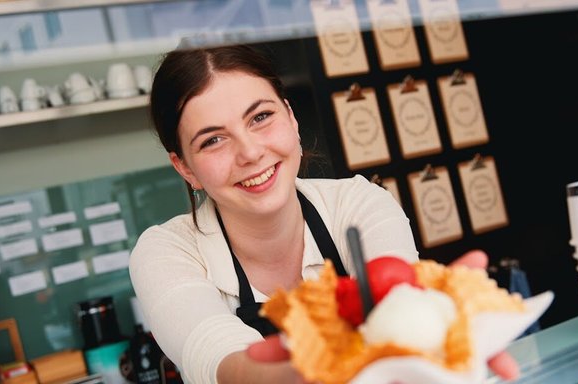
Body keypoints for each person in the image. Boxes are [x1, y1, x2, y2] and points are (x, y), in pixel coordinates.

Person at [129, 44, 518, 383]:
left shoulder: (359, 204)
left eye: (260, 117)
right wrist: (291, 376)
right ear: (185, 168)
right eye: (213, 140)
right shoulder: (167, 251)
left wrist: (439, 328)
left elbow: (398, 310)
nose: (249, 152)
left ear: (291, 117)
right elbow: (215, 352)